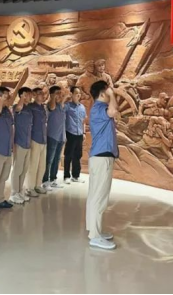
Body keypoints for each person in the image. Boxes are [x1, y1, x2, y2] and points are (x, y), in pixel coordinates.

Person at [87, 81, 120, 251]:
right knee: (99, 197)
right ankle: (95, 236)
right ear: (102, 93)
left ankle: (95, 230)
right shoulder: (99, 108)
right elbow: (114, 111)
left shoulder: (98, 109)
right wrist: (112, 94)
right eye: (107, 91)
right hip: (102, 157)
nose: (110, 93)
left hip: (100, 156)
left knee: (95, 195)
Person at [10, 87, 33, 204]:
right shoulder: (17, 107)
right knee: (17, 169)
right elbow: (18, 108)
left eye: (30, 94)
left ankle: (20, 191)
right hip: (19, 142)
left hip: (27, 142)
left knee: (24, 169)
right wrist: (22, 98)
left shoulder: (29, 109)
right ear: (22, 95)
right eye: (27, 94)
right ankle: (14, 193)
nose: (30, 96)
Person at [44, 86, 68, 189]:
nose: (60, 95)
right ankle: (45, 181)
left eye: (60, 93)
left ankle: (53, 179)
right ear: (52, 94)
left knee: (56, 159)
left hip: (61, 137)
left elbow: (62, 102)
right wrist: (53, 97)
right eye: (57, 93)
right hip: (52, 136)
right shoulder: (50, 105)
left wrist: (64, 96)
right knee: (49, 159)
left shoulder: (61, 106)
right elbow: (52, 106)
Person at [25, 88, 48, 197]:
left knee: (42, 164)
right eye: (39, 94)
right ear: (34, 95)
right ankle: (29, 187)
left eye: (43, 93)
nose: (42, 95)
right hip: (34, 138)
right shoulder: (31, 107)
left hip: (43, 139)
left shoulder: (42, 107)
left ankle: (38, 185)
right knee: (33, 165)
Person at [64, 87, 87, 184]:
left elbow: (83, 121)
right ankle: (66, 176)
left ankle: (76, 176)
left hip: (79, 134)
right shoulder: (67, 106)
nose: (78, 95)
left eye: (79, 93)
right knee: (68, 155)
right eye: (76, 93)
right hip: (70, 133)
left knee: (77, 155)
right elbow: (62, 118)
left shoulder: (82, 107)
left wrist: (84, 132)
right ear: (72, 94)